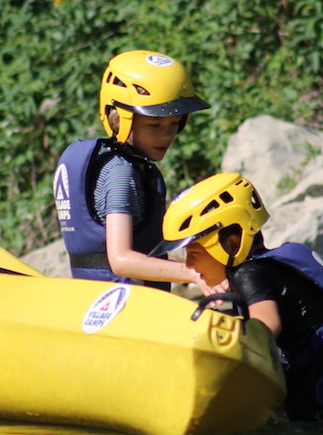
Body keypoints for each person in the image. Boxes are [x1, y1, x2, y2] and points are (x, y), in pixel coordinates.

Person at [151, 172, 323, 420]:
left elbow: (266, 325)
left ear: (232, 243)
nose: (189, 265)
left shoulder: (248, 274)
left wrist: (213, 351)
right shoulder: (283, 260)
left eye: (194, 252)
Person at [53, 50, 213, 292]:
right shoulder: (120, 174)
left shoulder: (109, 163)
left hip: (95, 299)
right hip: (123, 303)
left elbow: (139, 255)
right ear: (120, 120)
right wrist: (194, 274)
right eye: (154, 124)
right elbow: (121, 260)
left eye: (175, 123)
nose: (167, 134)